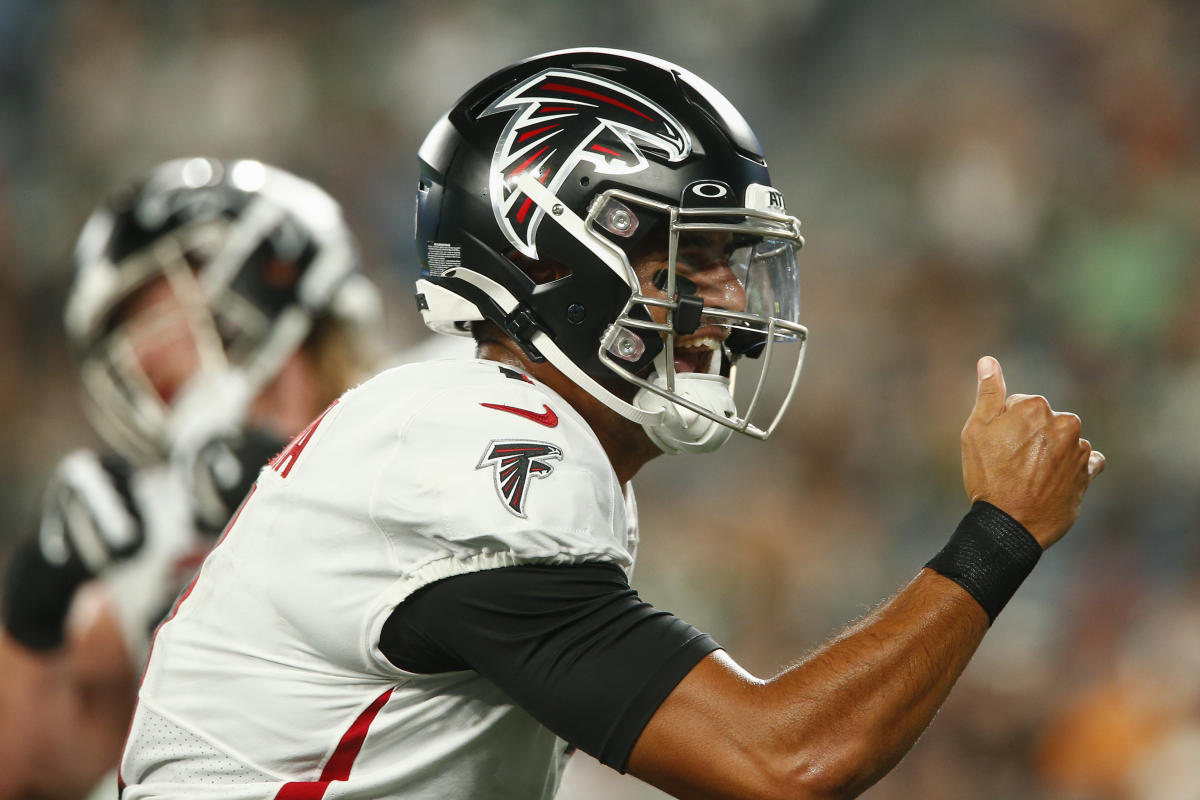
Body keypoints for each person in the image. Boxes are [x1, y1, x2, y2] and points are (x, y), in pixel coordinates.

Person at [118, 49, 1105, 800]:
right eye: (693, 256)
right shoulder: (467, 450)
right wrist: (999, 529)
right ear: (560, 263)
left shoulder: (487, 428)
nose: (732, 301)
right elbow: (786, 759)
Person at [0, 157, 381, 800]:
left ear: (267, 278)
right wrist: (33, 611)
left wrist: (284, 499)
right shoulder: (160, 530)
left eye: (157, 308)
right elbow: (31, 774)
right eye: (126, 329)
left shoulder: (426, 429)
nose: (144, 354)